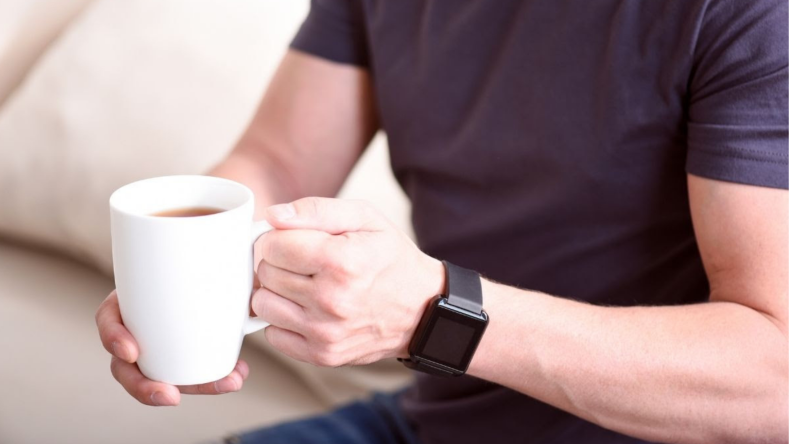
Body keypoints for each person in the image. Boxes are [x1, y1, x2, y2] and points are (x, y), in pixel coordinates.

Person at [95, 1, 788, 443]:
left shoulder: (753, 16)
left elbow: (773, 376)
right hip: (434, 418)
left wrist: (435, 313)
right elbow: (277, 162)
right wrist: (181, 273)